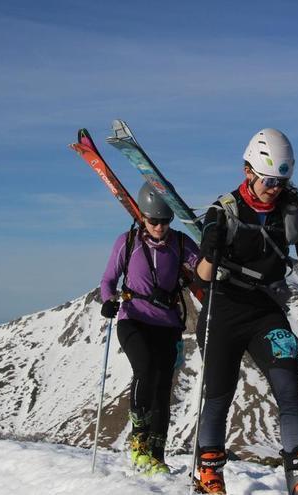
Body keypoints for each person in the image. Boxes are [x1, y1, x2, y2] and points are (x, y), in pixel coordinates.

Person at [193, 129, 298, 495]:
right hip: (223, 307)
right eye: (269, 180)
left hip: (266, 309)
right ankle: (209, 475)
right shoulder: (222, 212)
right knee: (219, 394)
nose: (275, 188)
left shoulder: (291, 210)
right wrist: (210, 251)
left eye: (282, 181)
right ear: (248, 172)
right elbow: (203, 277)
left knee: (289, 387)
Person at [99, 183, 199, 475]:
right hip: (133, 319)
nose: (159, 226)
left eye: (165, 221)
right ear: (142, 216)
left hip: (167, 325)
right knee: (145, 369)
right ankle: (138, 442)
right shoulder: (127, 242)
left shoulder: (180, 244)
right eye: (153, 220)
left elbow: (203, 267)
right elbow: (108, 280)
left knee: (162, 388)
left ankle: (156, 455)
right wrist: (108, 302)